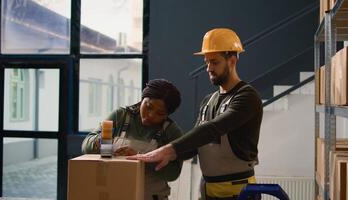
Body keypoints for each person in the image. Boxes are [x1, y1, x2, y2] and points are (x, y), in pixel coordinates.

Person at [128, 28, 263, 200]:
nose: (208, 68)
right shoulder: (208, 101)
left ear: (232, 61)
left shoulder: (247, 97)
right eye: (207, 62)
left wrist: (169, 150)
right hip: (208, 190)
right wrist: (154, 156)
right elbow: (198, 143)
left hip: (239, 193)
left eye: (214, 62)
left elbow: (213, 129)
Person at [82, 79, 184, 200]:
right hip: (115, 194)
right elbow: (86, 146)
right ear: (142, 99)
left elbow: (173, 173)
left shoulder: (171, 132)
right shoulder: (120, 116)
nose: (150, 115)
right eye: (148, 106)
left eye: (160, 113)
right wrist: (103, 141)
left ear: (167, 114)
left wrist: (140, 158)